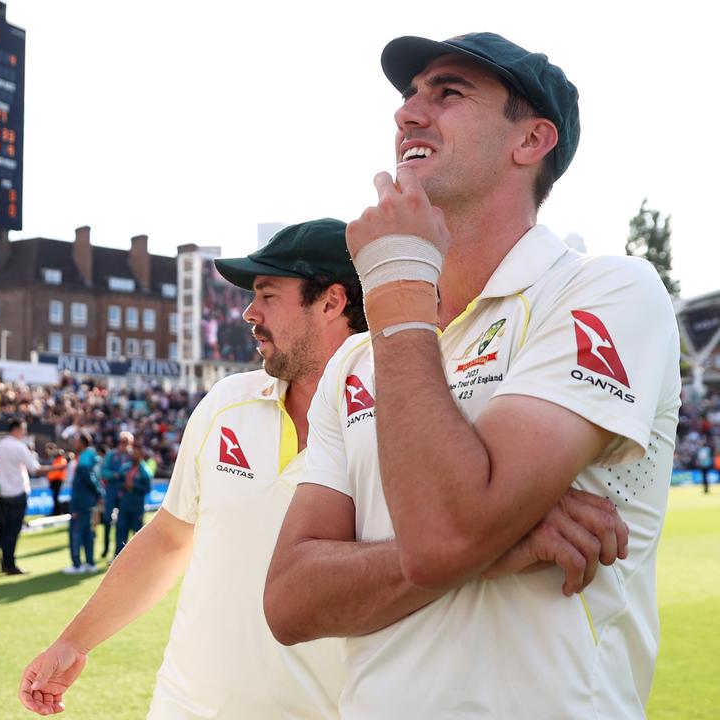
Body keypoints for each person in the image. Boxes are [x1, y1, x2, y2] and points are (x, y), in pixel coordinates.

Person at [265, 33, 678, 718]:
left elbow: (445, 536)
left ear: (530, 140)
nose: (407, 115)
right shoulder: (357, 359)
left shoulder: (603, 289)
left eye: (447, 93)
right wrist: (495, 544)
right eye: (408, 97)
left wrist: (397, 278)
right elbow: (288, 600)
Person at [20, 219, 363, 717]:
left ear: (331, 302)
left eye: (267, 295)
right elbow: (168, 538)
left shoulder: (398, 421)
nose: (249, 312)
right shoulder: (227, 402)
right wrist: (75, 642)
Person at [0, 418, 43, 575]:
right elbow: (34, 468)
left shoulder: (1, 445)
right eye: (23, 429)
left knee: (6, 530)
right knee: (12, 531)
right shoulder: (19, 446)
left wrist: (0, 469)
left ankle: (6, 563)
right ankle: (9, 564)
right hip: (17, 493)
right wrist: (58, 467)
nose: (24, 432)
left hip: (4, 493)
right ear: (16, 429)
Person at [61, 430, 101, 575]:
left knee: (76, 532)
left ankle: (77, 565)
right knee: (87, 532)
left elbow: (89, 478)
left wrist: (97, 492)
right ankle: (90, 562)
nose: (74, 443)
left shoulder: (85, 458)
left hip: (81, 501)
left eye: (77, 441)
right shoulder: (89, 456)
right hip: (87, 500)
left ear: (83, 443)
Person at [97, 431, 133, 557]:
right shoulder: (111, 455)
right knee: (107, 519)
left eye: (127, 443)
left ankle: (119, 551)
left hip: (125, 493)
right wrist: (116, 475)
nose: (124, 445)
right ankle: (106, 547)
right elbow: (103, 472)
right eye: (123, 442)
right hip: (111, 491)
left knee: (122, 523)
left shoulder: (132, 457)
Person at [113, 444, 152, 556]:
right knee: (121, 532)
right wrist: (124, 485)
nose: (134, 455)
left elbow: (148, 488)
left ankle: (138, 559)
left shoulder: (145, 471)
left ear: (141, 455)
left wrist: (134, 485)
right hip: (124, 506)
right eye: (133, 452)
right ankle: (117, 559)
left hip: (137, 507)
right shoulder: (125, 468)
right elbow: (118, 483)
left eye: (137, 452)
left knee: (137, 535)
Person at [46, 446, 67, 515]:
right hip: (54, 480)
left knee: (56, 496)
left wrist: (51, 477)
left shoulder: (61, 460)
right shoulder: (57, 460)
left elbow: (56, 471)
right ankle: (56, 511)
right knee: (55, 496)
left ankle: (58, 511)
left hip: (57, 480)